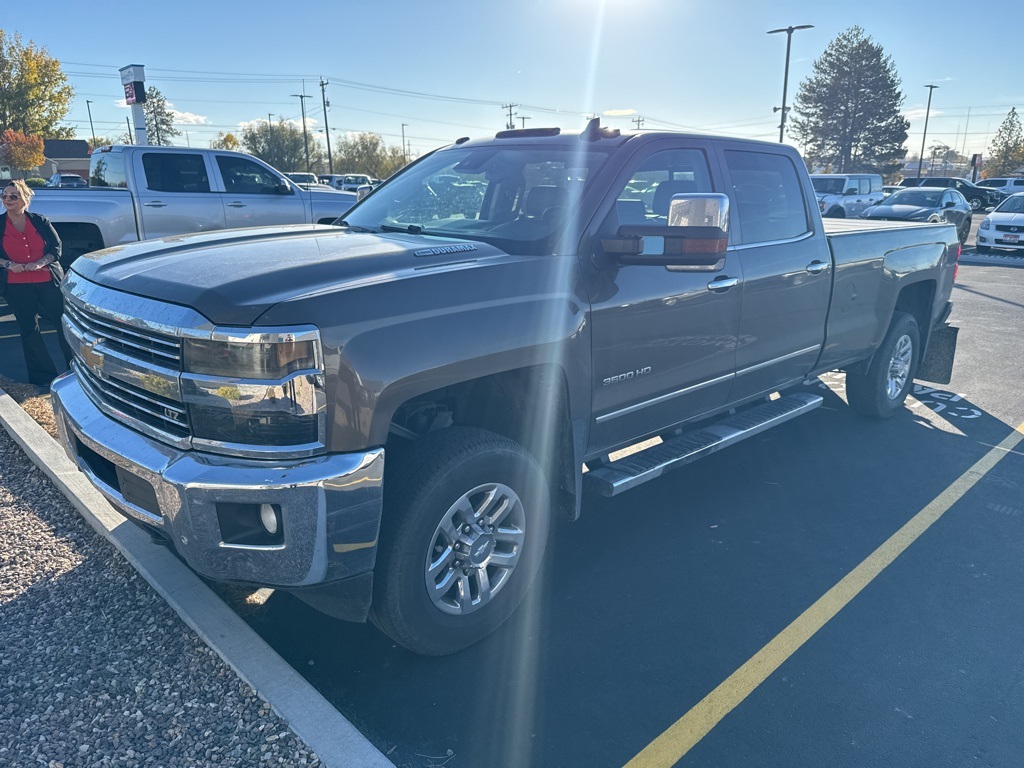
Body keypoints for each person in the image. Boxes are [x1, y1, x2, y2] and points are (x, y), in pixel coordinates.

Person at [1, 179, 73, 387]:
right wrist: (7, 263)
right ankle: (43, 378)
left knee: (63, 324)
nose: (8, 199)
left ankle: (76, 370)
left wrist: (42, 262)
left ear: (24, 198)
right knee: (29, 330)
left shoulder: (40, 221)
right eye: (4, 196)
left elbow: (56, 248)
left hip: (48, 281)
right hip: (16, 286)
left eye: (13, 196)